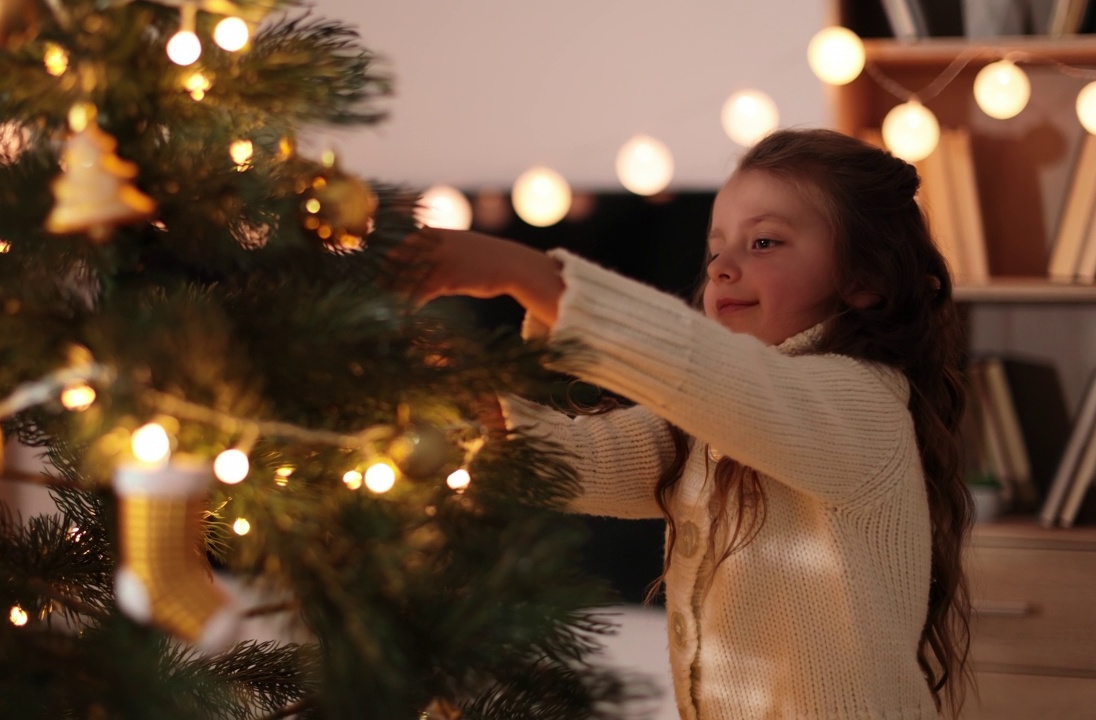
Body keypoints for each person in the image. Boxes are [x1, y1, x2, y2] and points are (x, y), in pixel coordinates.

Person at [398, 128, 973, 720]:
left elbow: (707, 372)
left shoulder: (861, 404)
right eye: (715, 248)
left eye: (765, 242)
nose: (724, 267)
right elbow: (572, 459)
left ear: (864, 279)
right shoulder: (710, 425)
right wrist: (450, 383)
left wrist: (526, 275)